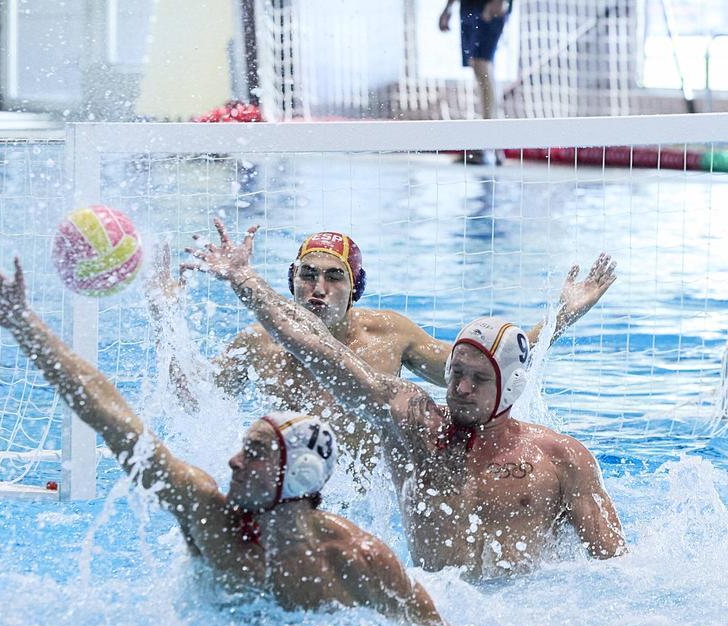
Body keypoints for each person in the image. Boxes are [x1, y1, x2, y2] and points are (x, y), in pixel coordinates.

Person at [0, 248, 441, 626]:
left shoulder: (360, 559)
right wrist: (26, 326)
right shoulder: (209, 515)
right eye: (307, 274)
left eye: (252, 454)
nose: (231, 462)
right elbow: (113, 418)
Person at [184, 225, 626, 580]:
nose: (460, 389)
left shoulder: (561, 458)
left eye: (478, 380)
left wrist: (562, 316)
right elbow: (311, 345)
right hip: (436, 608)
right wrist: (243, 278)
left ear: (509, 388)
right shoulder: (412, 421)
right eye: (456, 374)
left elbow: (618, 574)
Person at [151, 223, 616, 480]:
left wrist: (561, 316)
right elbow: (194, 398)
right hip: (299, 490)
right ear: (291, 280)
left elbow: (481, 367)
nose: (318, 289)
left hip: (373, 499)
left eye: (334, 278)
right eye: (307, 275)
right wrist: (166, 318)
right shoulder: (258, 342)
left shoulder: (390, 336)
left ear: (355, 289)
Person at [440, 0, 512, 162]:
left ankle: (489, 145)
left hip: (487, 6)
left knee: (484, 68)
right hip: (469, 7)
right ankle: (492, 146)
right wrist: (448, 8)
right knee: (480, 70)